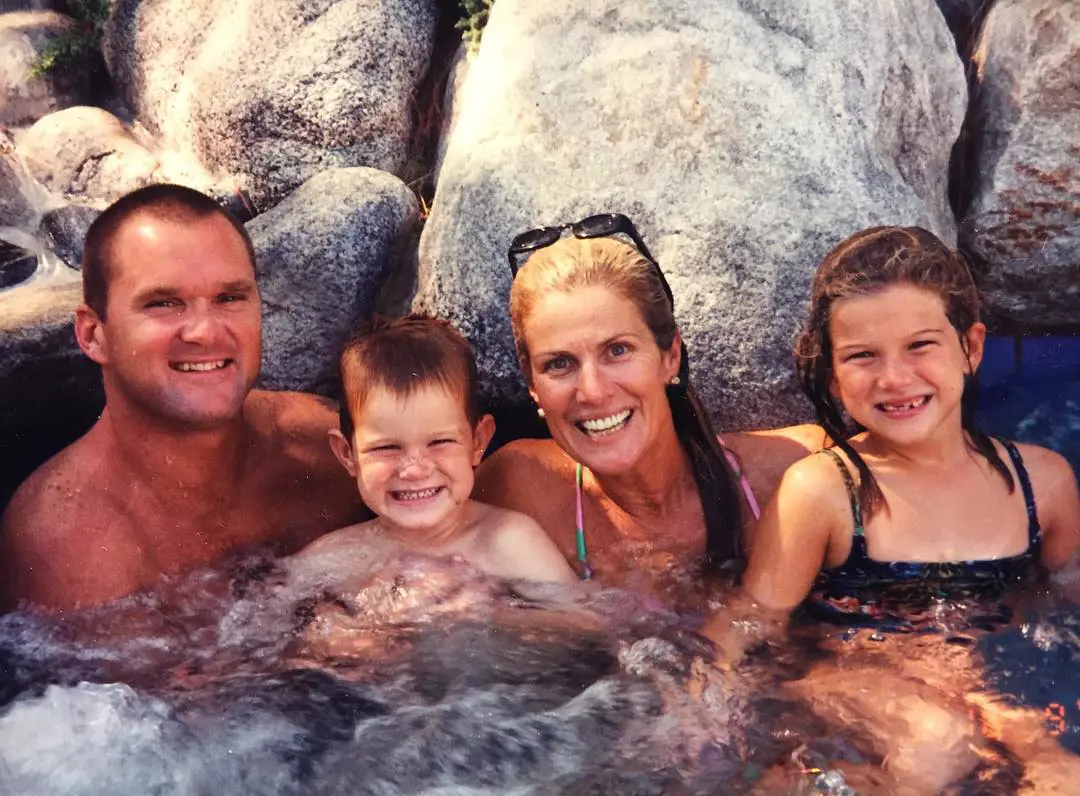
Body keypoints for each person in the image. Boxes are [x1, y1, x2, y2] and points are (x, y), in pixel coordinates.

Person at [0, 184, 368, 613]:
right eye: (164, 303)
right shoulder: (65, 547)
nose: (206, 331)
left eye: (229, 298)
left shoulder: (326, 448)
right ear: (93, 335)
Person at [743, 225, 1080, 621]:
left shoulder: (1043, 484)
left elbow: (1067, 600)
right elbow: (750, 624)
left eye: (920, 345)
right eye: (862, 355)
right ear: (832, 374)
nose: (895, 378)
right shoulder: (820, 493)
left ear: (970, 348)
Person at [474, 213, 824, 589]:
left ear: (670, 354)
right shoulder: (516, 489)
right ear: (531, 385)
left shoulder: (794, 475)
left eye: (617, 350)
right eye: (559, 364)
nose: (592, 390)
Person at [294, 314, 577, 585]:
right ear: (347, 454)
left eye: (439, 442)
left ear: (477, 442)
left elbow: (579, 625)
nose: (415, 469)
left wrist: (484, 609)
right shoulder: (330, 561)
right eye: (387, 447)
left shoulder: (511, 544)